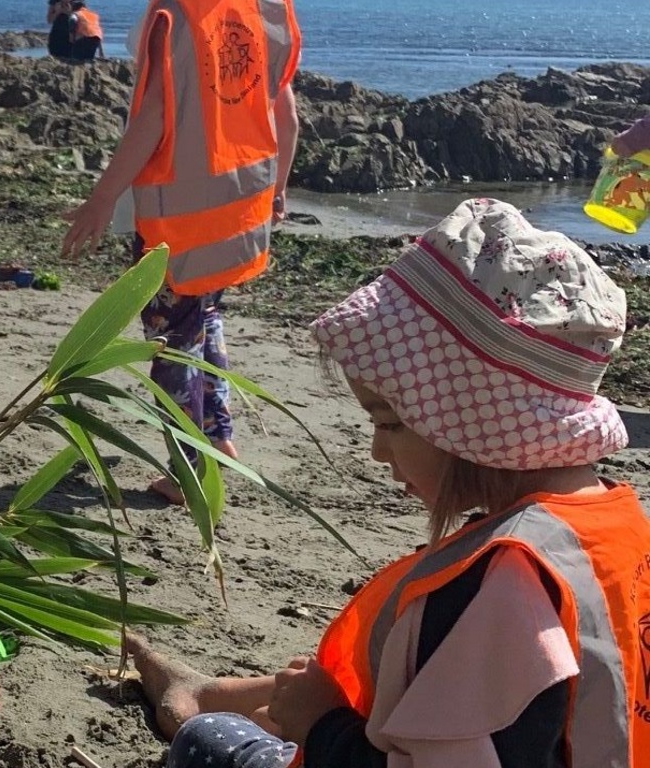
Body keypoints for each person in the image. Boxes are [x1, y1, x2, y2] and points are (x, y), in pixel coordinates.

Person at [128, 199, 650, 768]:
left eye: (391, 423)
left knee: (206, 744)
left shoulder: (497, 592)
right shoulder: (616, 525)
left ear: (472, 420)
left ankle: (196, 708)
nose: (378, 452)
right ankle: (216, 691)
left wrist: (322, 725)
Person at [60, 0, 301, 503]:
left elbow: (154, 117)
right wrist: (278, 188)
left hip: (182, 218)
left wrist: (102, 198)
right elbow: (287, 111)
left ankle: (187, 469)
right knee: (205, 318)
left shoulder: (175, 14)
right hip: (241, 204)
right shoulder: (265, 9)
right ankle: (218, 437)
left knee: (171, 340)